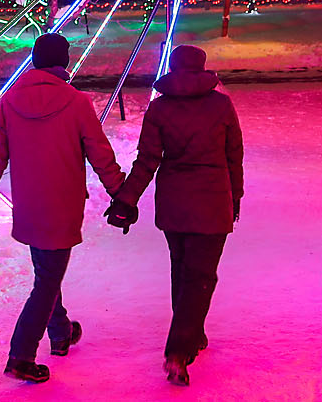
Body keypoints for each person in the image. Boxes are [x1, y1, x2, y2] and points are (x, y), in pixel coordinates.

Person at [0, 32, 124, 383]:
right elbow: (100, 154)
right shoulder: (75, 102)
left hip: (27, 205)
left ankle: (60, 332)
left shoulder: (10, 101)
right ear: (65, 62)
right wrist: (121, 193)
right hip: (62, 204)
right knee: (46, 282)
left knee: (46, 274)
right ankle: (21, 355)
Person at [105, 44, 243, 388]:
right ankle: (178, 351)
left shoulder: (160, 108)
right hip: (212, 198)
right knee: (201, 276)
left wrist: (126, 198)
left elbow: (147, 160)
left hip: (174, 200)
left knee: (182, 269)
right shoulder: (221, 105)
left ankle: (192, 333)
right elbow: (233, 156)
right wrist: (235, 197)